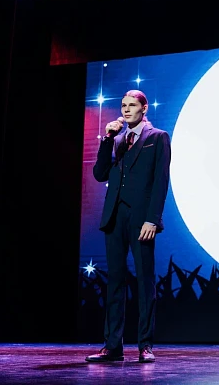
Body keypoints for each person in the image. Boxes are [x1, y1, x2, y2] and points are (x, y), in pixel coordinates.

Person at [86, 89, 171, 363]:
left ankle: (145, 345)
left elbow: (160, 181)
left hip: (141, 218)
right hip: (114, 216)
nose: (126, 109)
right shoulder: (117, 139)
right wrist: (106, 140)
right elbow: (99, 174)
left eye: (132, 105)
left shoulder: (157, 137)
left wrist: (153, 219)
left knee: (145, 281)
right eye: (123, 105)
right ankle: (113, 346)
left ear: (144, 109)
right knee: (115, 281)